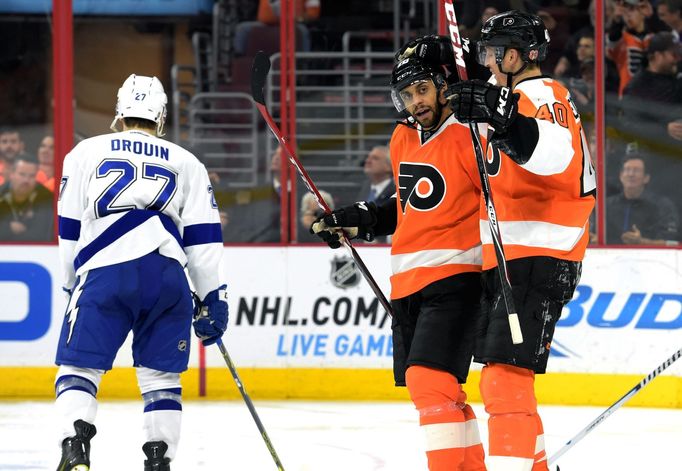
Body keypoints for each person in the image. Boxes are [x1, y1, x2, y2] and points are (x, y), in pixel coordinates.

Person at [312, 41, 487, 470]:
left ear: (446, 83)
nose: (416, 102)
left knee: (428, 382)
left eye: (423, 89)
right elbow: (410, 202)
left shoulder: (473, 132)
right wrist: (361, 218)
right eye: (408, 95)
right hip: (407, 280)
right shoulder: (403, 135)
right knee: (440, 391)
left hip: (457, 273)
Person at [54, 74, 228, 471]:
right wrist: (213, 297)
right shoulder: (187, 161)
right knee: (161, 379)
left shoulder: (85, 152)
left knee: (79, 368)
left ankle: (75, 448)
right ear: (161, 115)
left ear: (119, 111)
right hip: (167, 279)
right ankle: (159, 461)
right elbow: (203, 241)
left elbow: (69, 229)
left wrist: (70, 284)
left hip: (105, 272)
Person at [447, 11, 596, 470]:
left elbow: (554, 156)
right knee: (508, 379)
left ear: (515, 55)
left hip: (540, 252)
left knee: (503, 380)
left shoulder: (542, 93)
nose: (487, 62)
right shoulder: (512, 99)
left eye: (493, 53)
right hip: (516, 256)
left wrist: (499, 114)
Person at [606, 149, 679, 244]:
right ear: (621, 176)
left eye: (636, 170)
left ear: (646, 178)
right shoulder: (606, 205)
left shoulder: (662, 206)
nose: (631, 174)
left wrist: (642, 242)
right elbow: (594, 233)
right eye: (627, 170)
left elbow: (672, 243)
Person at [0, 153, 53, 241]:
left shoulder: (46, 197)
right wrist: (9, 228)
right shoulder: (1, 193)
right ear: (12, 174)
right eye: (22, 174)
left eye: (31, 176)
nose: (26, 180)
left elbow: (41, 234)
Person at [355, 145, 395, 243]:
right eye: (368, 157)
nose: (367, 161)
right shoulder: (362, 188)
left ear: (389, 167)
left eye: (375, 158)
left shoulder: (397, 191)